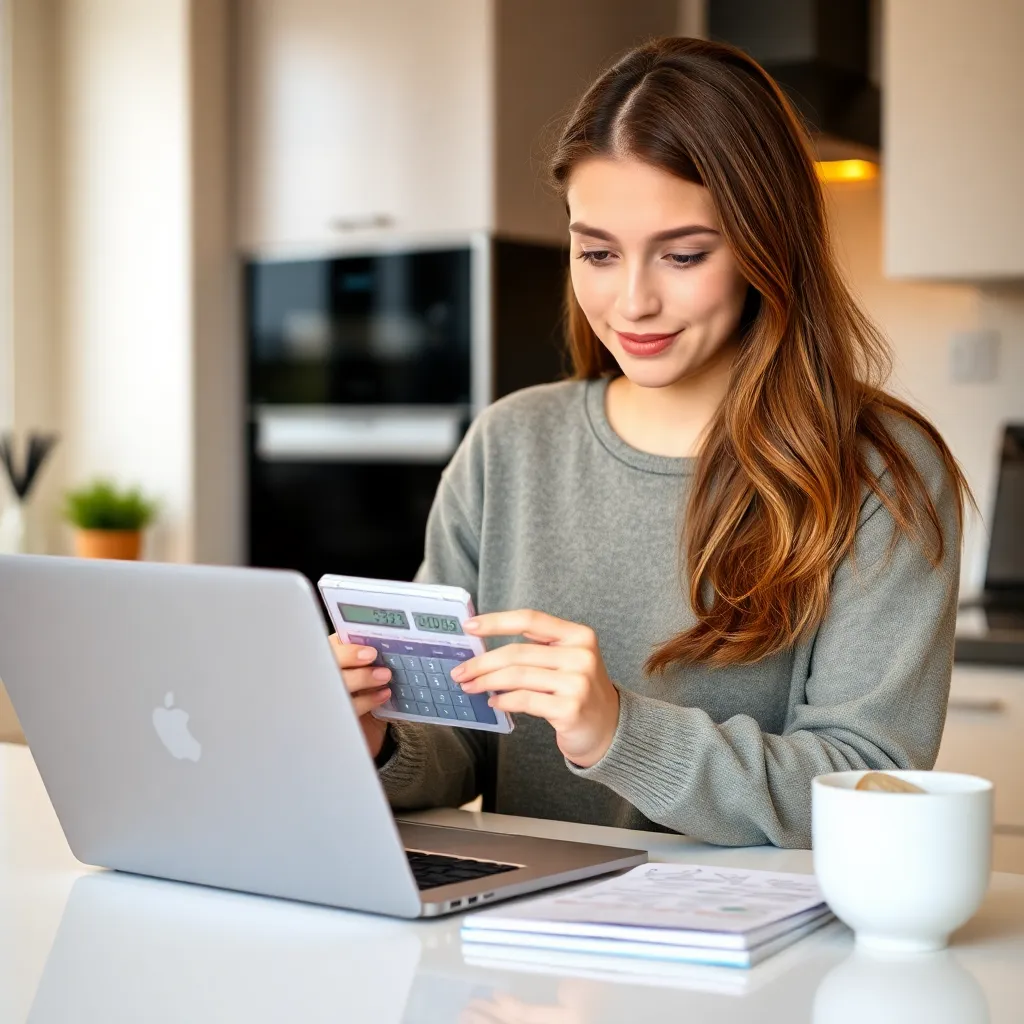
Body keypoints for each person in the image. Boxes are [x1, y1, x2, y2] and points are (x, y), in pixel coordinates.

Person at [329, 37, 970, 848]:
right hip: (526, 940)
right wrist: (377, 739)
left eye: (683, 254)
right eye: (596, 252)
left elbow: (874, 786)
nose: (632, 300)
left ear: (767, 246)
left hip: (763, 955)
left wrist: (619, 733)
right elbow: (458, 741)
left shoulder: (883, 472)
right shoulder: (509, 445)